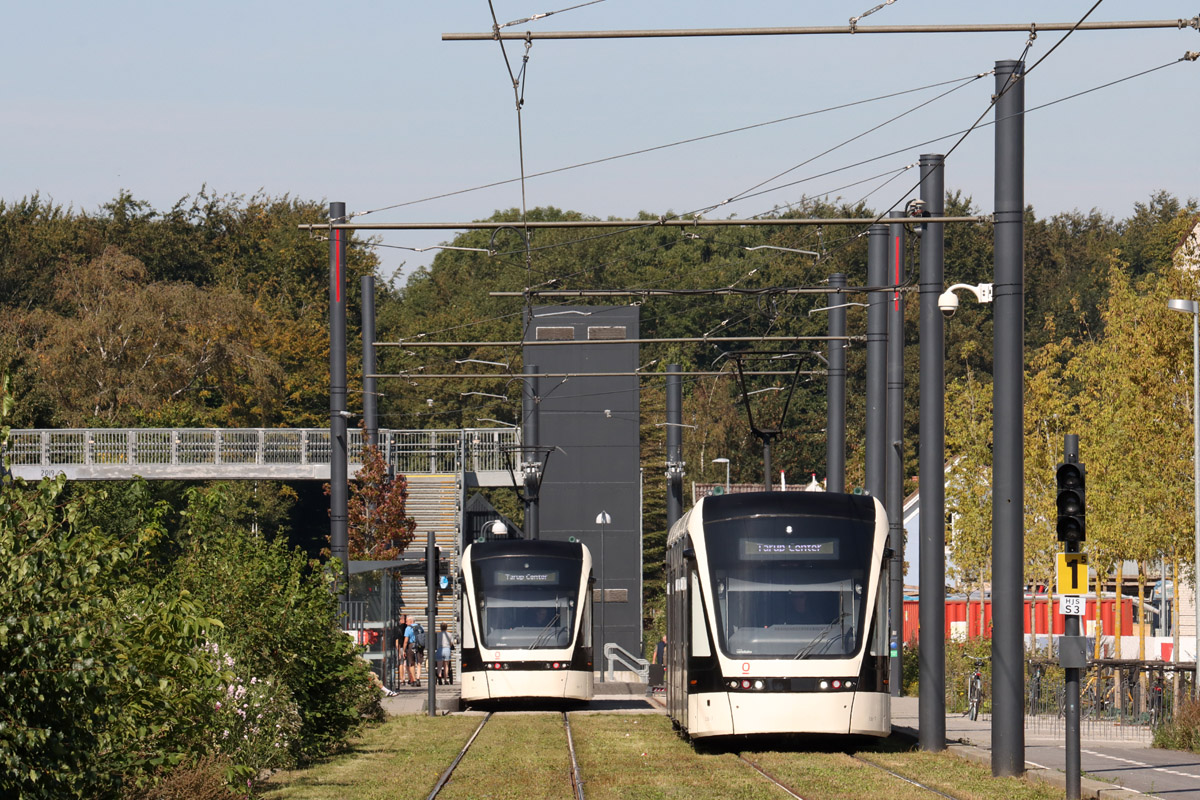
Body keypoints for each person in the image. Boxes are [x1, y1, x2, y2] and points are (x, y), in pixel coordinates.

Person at [398, 615, 418, 687]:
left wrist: (402, 649)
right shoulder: (417, 627)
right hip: (413, 646)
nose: (406, 622)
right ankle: (412, 678)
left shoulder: (405, 628)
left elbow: (402, 640)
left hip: (405, 646)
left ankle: (403, 680)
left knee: (403, 663)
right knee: (410, 663)